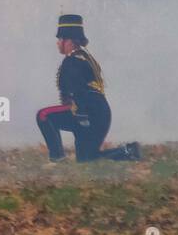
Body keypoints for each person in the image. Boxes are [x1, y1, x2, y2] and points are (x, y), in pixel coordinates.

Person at [36, 14, 140, 162]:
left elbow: (79, 92)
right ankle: (127, 151)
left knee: (43, 115)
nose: (58, 43)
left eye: (60, 39)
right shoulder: (85, 57)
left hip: (87, 113)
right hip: (99, 116)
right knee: (87, 159)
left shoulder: (72, 61)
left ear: (69, 41)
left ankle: (57, 158)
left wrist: (82, 118)